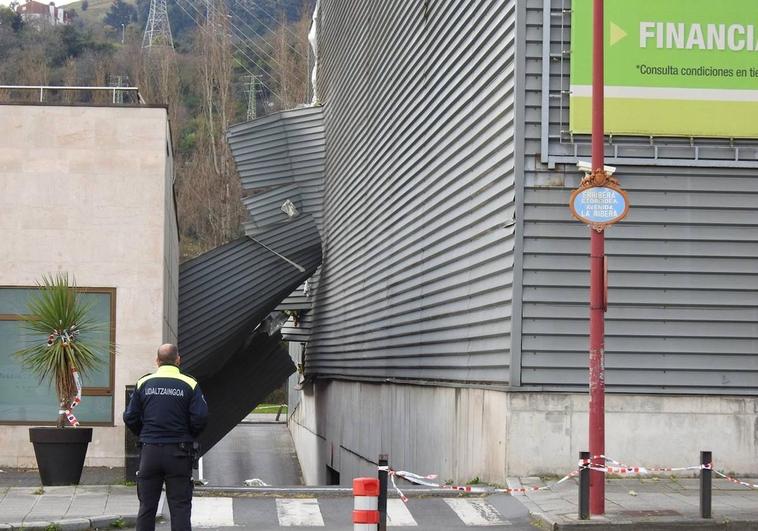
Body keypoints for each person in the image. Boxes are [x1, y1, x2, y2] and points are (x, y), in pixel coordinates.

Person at [124, 344, 208, 531]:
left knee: (147, 507)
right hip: (179, 452)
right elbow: (200, 416)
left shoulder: (144, 383)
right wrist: (190, 434)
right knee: (180, 507)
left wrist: (144, 434)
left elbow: (130, 416)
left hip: (150, 452)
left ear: (157, 361)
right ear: (178, 360)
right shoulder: (190, 383)